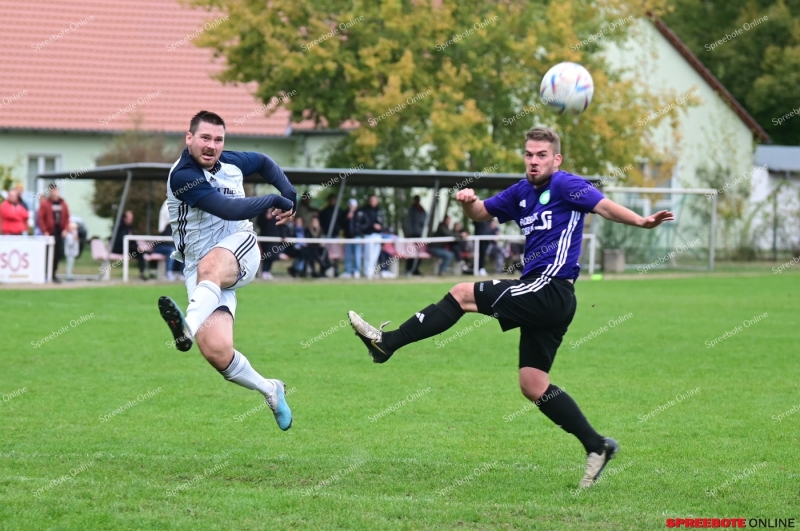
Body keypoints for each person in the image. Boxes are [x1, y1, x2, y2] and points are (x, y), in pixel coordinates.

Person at [348, 127, 674, 489]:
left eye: (541, 155)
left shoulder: (567, 185)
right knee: (533, 385)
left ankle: (386, 343)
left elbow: (603, 206)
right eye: (529, 154)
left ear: (556, 159)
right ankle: (597, 445)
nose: (534, 161)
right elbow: (481, 214)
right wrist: (468, 201)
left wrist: (641, 221)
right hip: (544, 296)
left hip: (549, 290)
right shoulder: (520, 192)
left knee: (461, 293)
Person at [158, 110, 296, 431]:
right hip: (199, 268)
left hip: (240, 246)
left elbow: (263, 162)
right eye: (205, 138)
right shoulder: (183, 176)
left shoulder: (231, 162)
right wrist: (274, 199)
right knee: (218, 351)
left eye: (218, 139)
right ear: (189, 138)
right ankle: (270, 390)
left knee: (211, 265)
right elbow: (227, 206)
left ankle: (185, 328)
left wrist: (288, 194)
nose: (212, 145)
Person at [37, 184, 70, 282]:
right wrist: (45, 231)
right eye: (52, 190)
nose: (54, 192)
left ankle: (54, 274)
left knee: (57, 253)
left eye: (55, 190)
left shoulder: (63, 204)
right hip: (49, 232)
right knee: (48, 253)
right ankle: (46, 273)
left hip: (59, 231)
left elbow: (67, 218)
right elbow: (41, 218)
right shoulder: (45, 204)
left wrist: (66, 229)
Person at [112, 210, 148, 281]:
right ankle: (126, 276)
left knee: (140, 253)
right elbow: (119, 241)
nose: (131, 220)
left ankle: (142, 273)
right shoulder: (119, 227)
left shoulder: (130, 228)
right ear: (125, 218)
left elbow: (133, 241)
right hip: (119, 248)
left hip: (129, 249)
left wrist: (138, 248)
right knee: (138, 251)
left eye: (131, 218)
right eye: (129, 218)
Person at [150, 199, 179, 281]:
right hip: (159, 248)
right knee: (172, 250)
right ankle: (168, 272)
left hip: (167, 248)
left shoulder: (176, 229)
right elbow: (164, 241)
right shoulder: (166, 228)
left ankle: (180, 272)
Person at [342, 198, 367, 279]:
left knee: (357, 254)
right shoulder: (345, 213)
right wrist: (346, 218)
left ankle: (357, 271)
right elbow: (341, 223)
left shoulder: (361, 213)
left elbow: (367, 222)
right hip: (348, 236)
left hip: (357, 236)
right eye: (350, 205)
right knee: (348, 254)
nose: (351, 207)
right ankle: (348, 271)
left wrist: (359, 229)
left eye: (353, 205)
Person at [361, 195, 385, 280]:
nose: (373, 202)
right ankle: (367, 272)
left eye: (374, 200)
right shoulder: (365, 210)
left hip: (378, 235)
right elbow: (363, 224)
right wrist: (372, 225)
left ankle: (372, 271)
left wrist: (380, 227)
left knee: (375, 254)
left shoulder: (380, 211)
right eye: (371, 200)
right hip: (368, 235)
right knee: (368, 255)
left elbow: (383, 222)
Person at [256, 208, 284, 280]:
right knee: (266, 256)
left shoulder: (277, 212)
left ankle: (267, 271)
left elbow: (281, 224)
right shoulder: (263, 212)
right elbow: (259, 223)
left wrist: (283, 235)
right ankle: (264, 271)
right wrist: (266, 217)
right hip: (265, 238)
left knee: (272, 256)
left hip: (275, 238)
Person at [404, 195, 426, 275]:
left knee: (419, 253)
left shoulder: (421, 210)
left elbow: (424, 220)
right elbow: (409, 223)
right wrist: (410, 234)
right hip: (412, 235)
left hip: (419, 234)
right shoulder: (412, 210)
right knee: (411, 253)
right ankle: (409, 269)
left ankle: (415, 269)